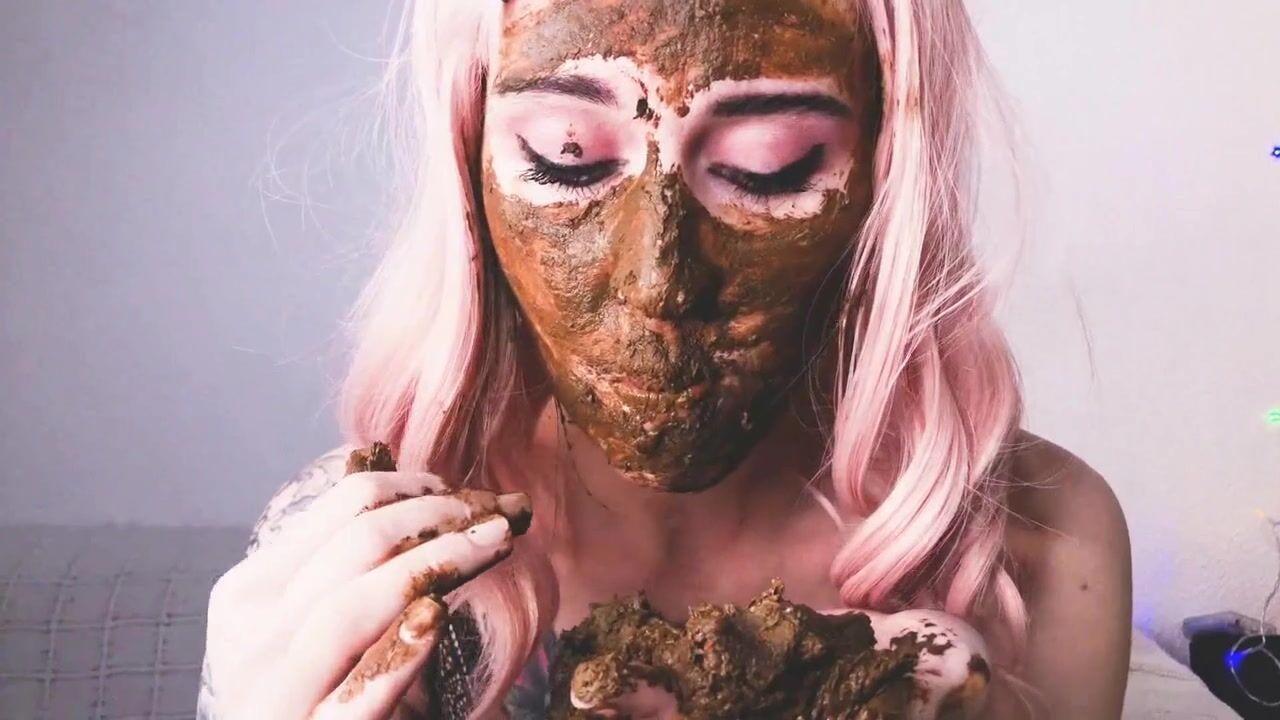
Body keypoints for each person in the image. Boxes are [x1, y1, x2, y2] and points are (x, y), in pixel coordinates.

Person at [199, 1, 1133, 718]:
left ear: (891, 173)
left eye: (770, 166)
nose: (660, 282)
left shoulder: (1039, 550)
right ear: (469, 156)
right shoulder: (360, 559)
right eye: (565, 157)